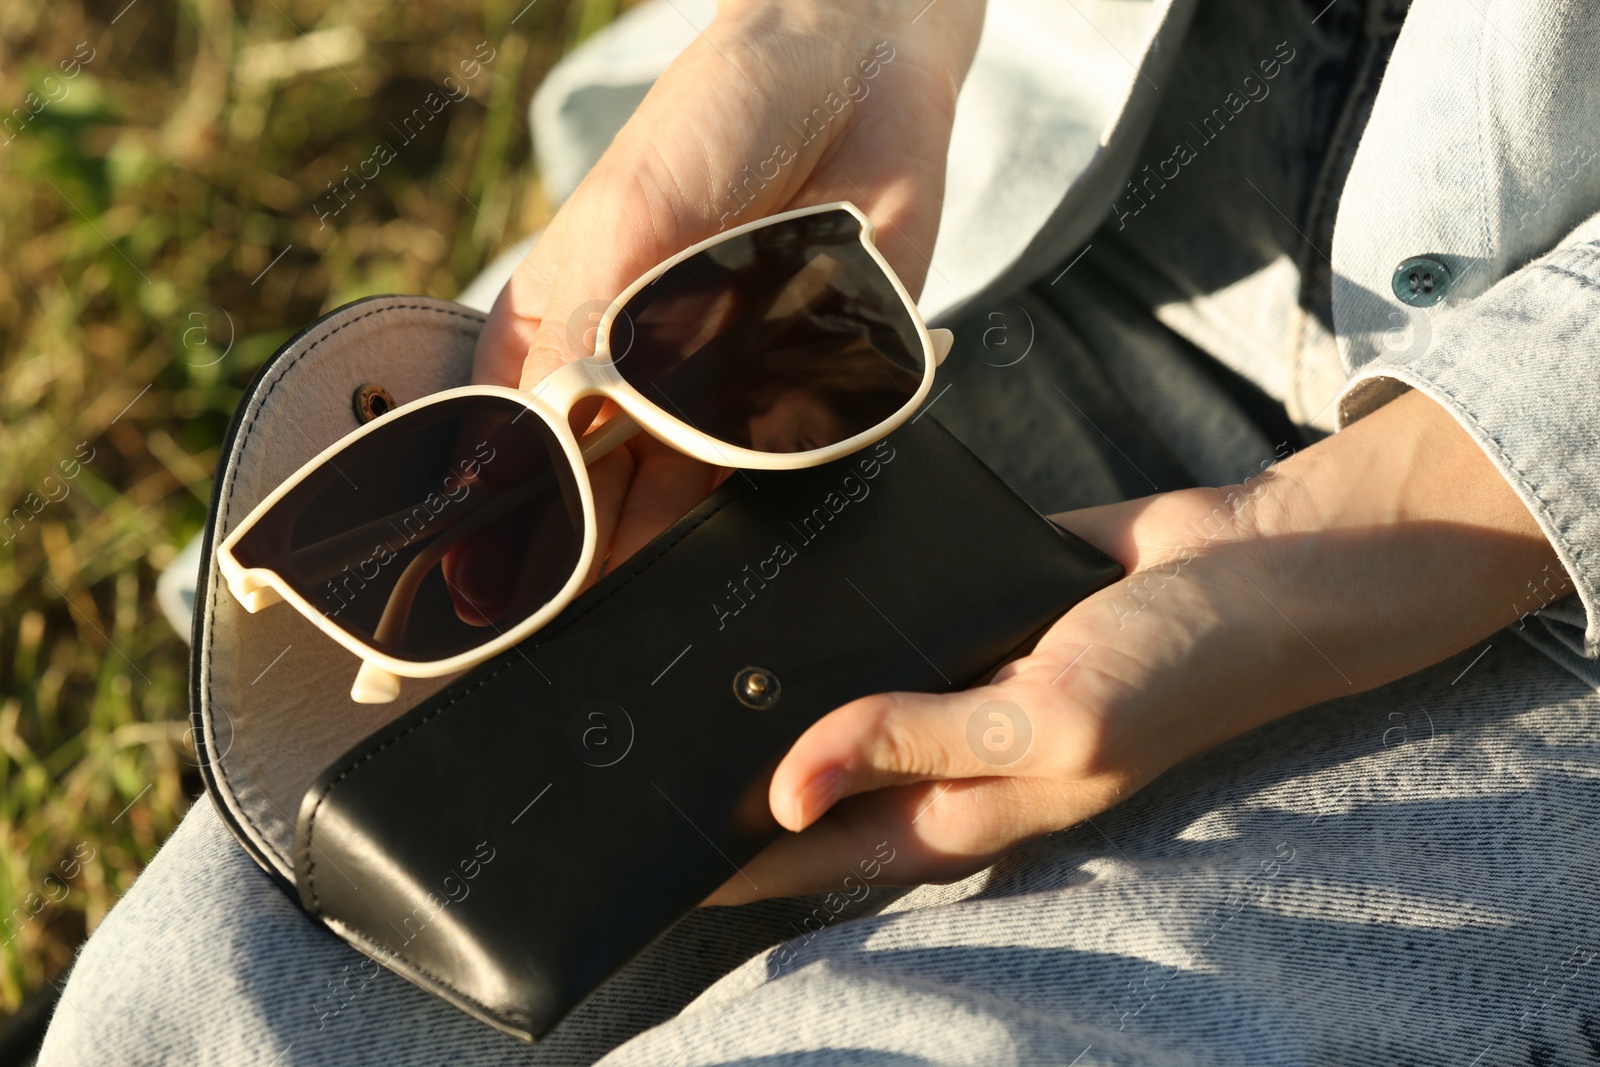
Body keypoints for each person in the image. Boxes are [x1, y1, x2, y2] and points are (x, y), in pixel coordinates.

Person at [39, 0, 1600, 1062]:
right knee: (220, 998)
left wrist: (1376, 526)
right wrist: (859, 26)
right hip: (961, 278)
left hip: (1543, 531)